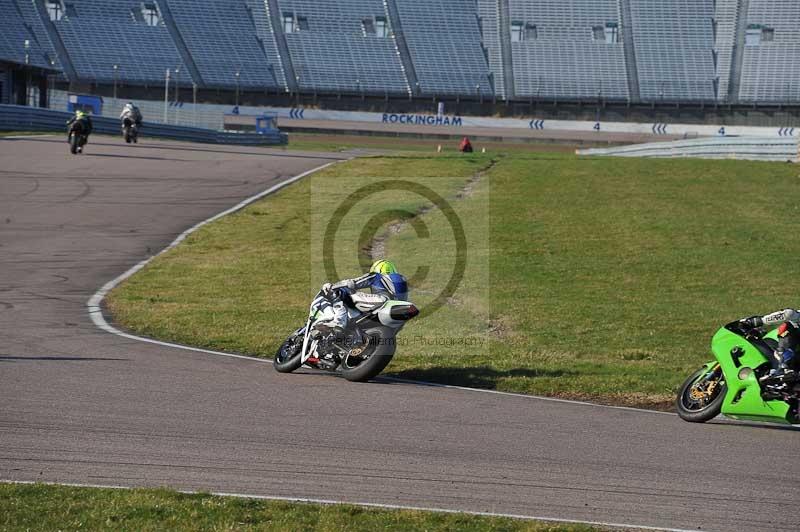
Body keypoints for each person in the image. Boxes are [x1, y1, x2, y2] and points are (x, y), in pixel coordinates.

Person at [314, 259, 408, 336]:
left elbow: (351, 283)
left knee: (342, 291)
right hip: (390, 320)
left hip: (381, 301)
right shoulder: (402, 282)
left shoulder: (377, 276)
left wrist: (333, 286)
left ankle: (338, 322)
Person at [740, 308, 800, 380]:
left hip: (795, 358)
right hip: (773, 344)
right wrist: (758, 321)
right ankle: (783, 368)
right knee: (787, 327)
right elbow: (788, 313)